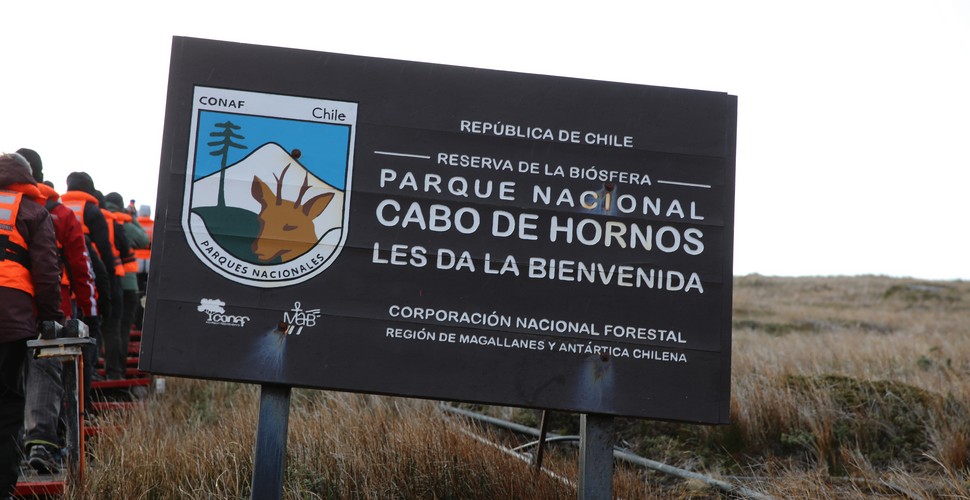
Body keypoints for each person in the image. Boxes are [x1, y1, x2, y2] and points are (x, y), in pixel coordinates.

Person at [16, 148, 99, 474]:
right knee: (47, 372)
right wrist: (90, 314)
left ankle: (19, 444)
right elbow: (81, 268)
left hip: (9, 308)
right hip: (51, 307)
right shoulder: (61, 214)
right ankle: (43, 444)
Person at [0, 152, 64, 496]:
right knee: (8, 404)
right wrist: (51, 319)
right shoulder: (32, 212)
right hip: (10, 320)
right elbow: (46, 271)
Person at [103, 192, 147, 380]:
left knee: (109, 329)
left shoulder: (100, 220)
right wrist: (132, 218)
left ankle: (109, 369)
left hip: (107, 282)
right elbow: (145, 240)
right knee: (123, 329)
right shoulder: (126, 225)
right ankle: (118, 371)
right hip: (129, 286)